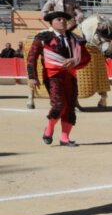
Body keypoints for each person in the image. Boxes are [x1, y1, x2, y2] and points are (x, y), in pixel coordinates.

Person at [27, 11, 91, 146]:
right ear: (51, 23)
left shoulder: (75, 38)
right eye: (58, 19)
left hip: (70, 75)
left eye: (64, 19)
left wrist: (75, 60)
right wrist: (32, 77)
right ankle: (49, 130)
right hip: (52, 76)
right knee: (58, 105)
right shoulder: (43, 38)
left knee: (70, 107)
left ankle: (64, 138)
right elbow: (32, 57)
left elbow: (86, 57)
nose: (62, 21)